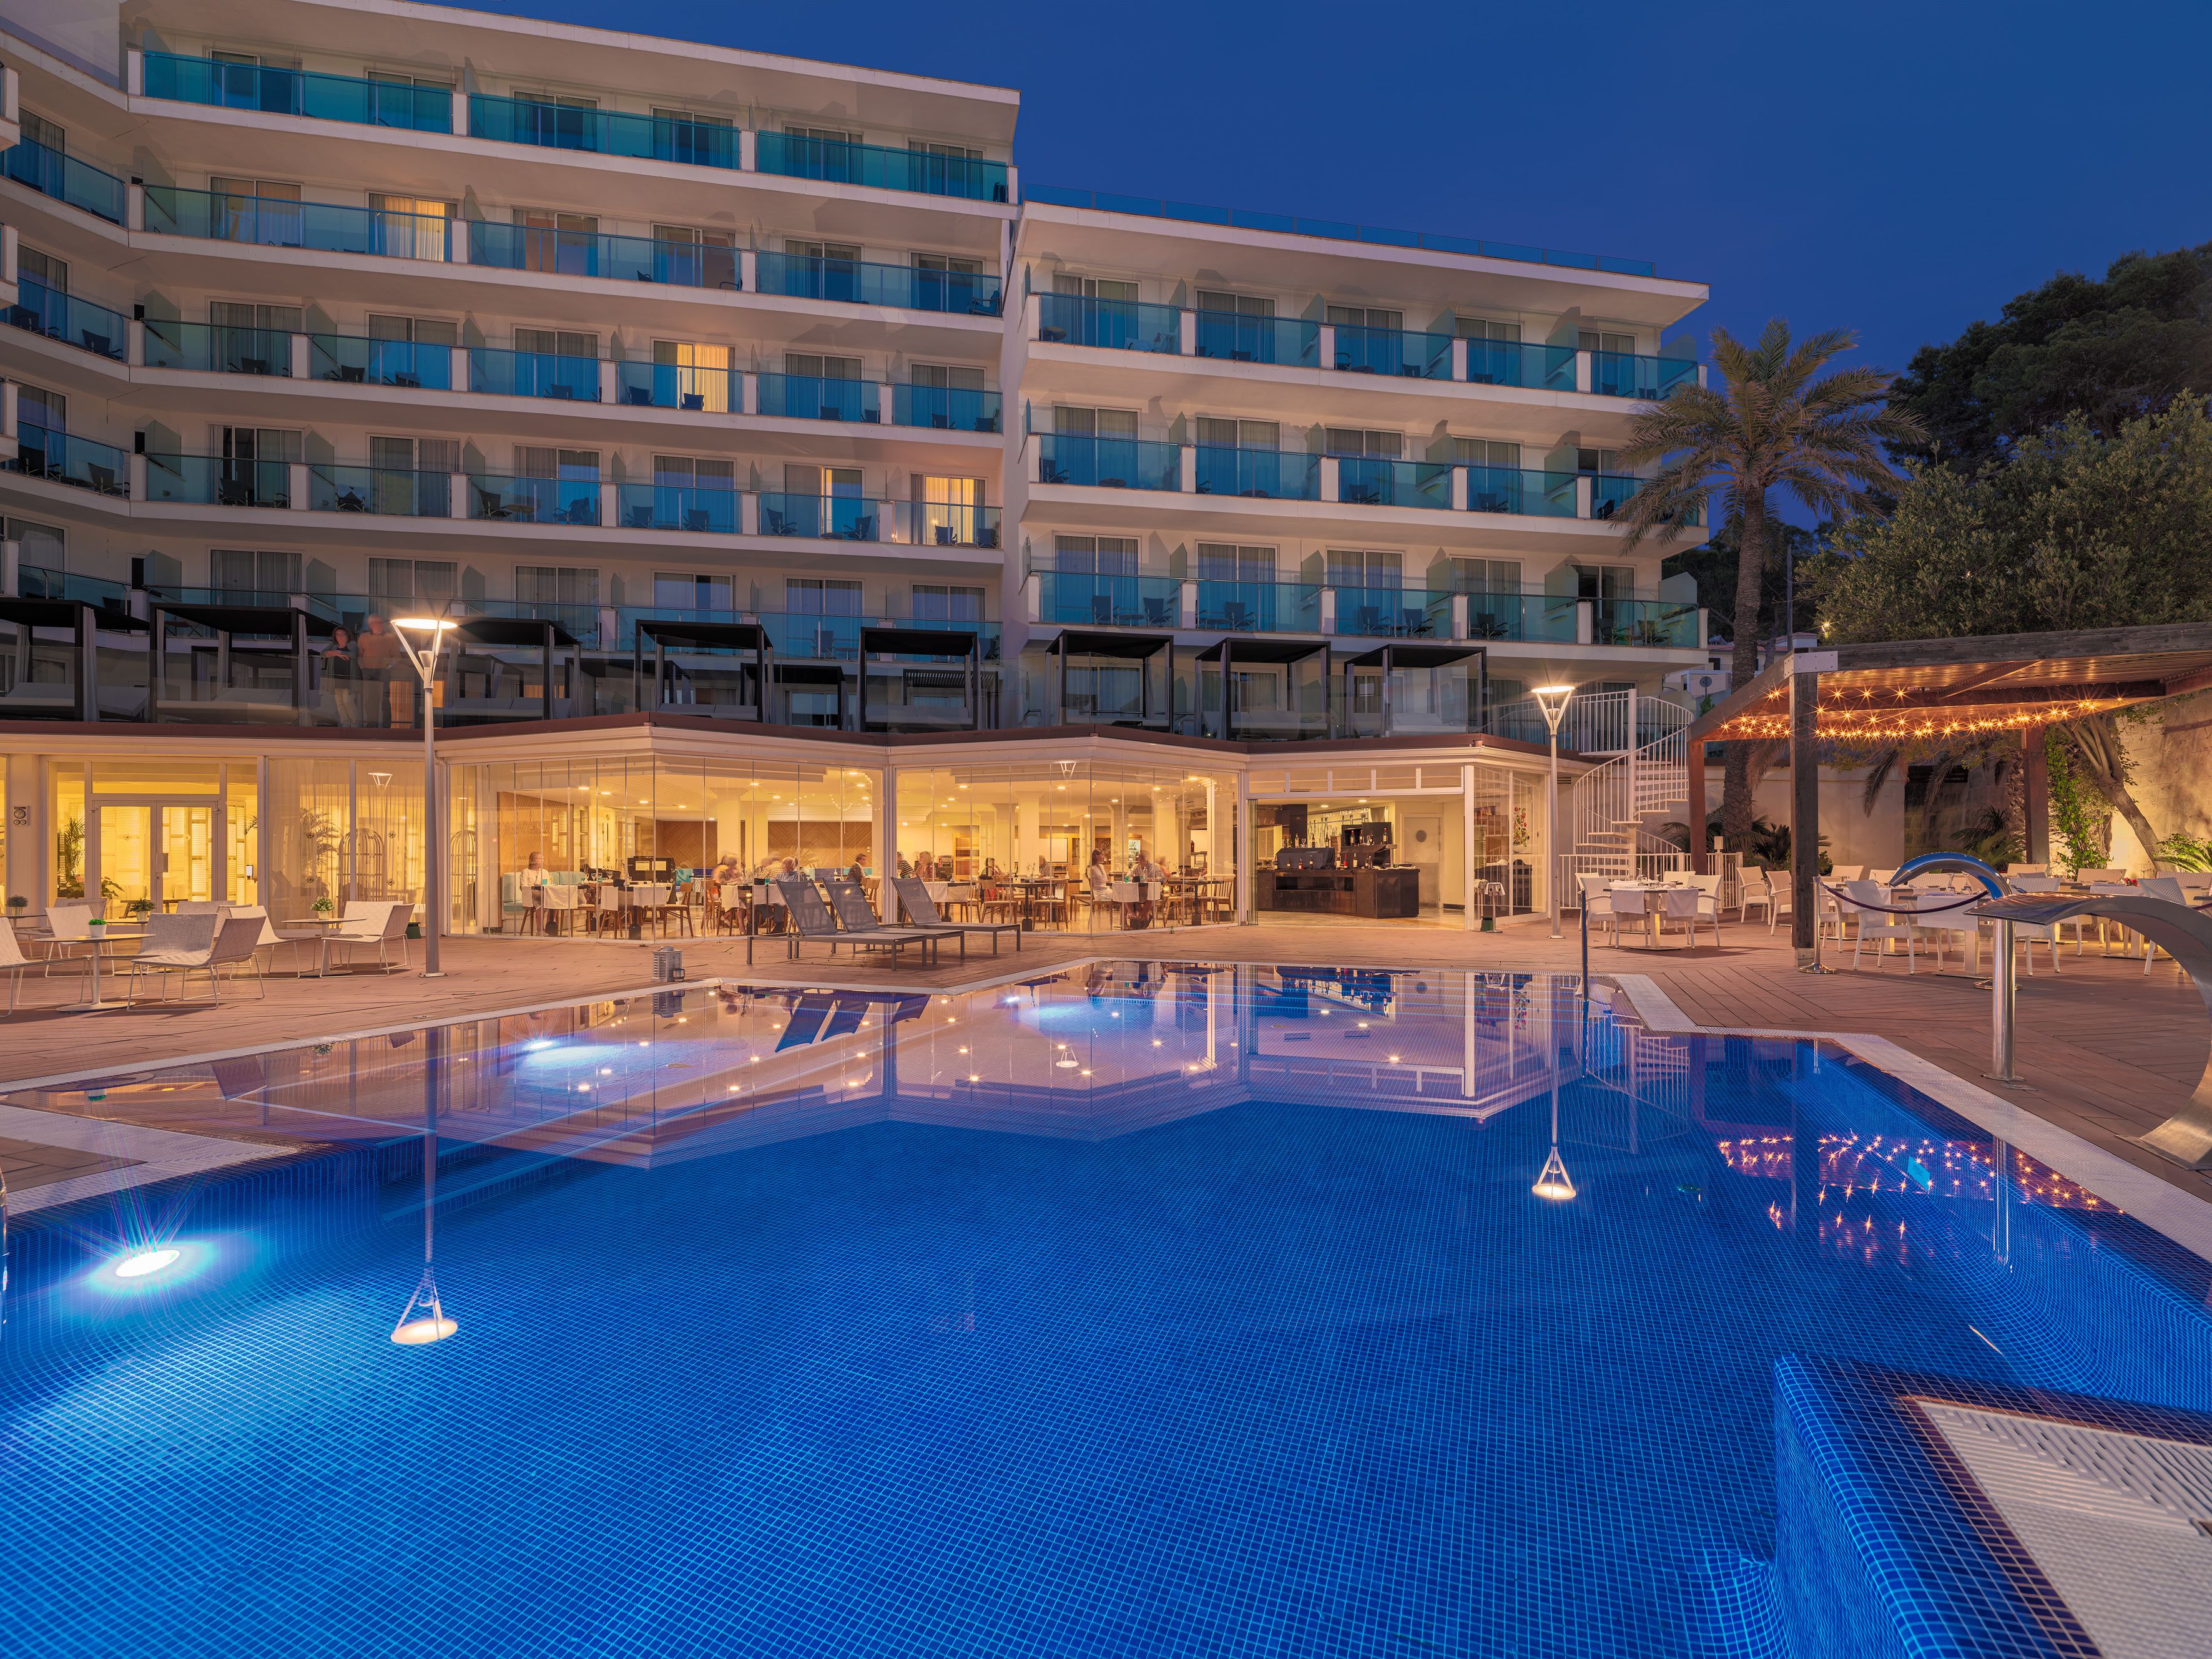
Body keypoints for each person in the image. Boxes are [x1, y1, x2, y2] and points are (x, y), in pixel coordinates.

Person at [357, 614, 405, 728]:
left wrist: (388, 667)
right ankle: (371, 725)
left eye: (381, 622)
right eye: (376, 623)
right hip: (368, 671)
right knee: (369, 700)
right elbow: (359, 654)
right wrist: (362, 667)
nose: (380, 625)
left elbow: (397, 656)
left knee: (384, 699)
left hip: (383, 671)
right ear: (371, 625)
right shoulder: (364, 637)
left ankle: (386, 725)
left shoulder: (390, 638)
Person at [320, 624, 360, 727]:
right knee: (339, 703)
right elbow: (323, 654)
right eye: (337, 634)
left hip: (349, 678)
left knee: (348, 701)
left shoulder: (352, 644)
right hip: (336, 678)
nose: (339, 637)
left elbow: (354, 655)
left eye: (342, 634)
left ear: (347, 636)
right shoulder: (333, 645)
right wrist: (337, 654)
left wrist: (339, 652)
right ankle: (345, 723)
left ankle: (355, 723)